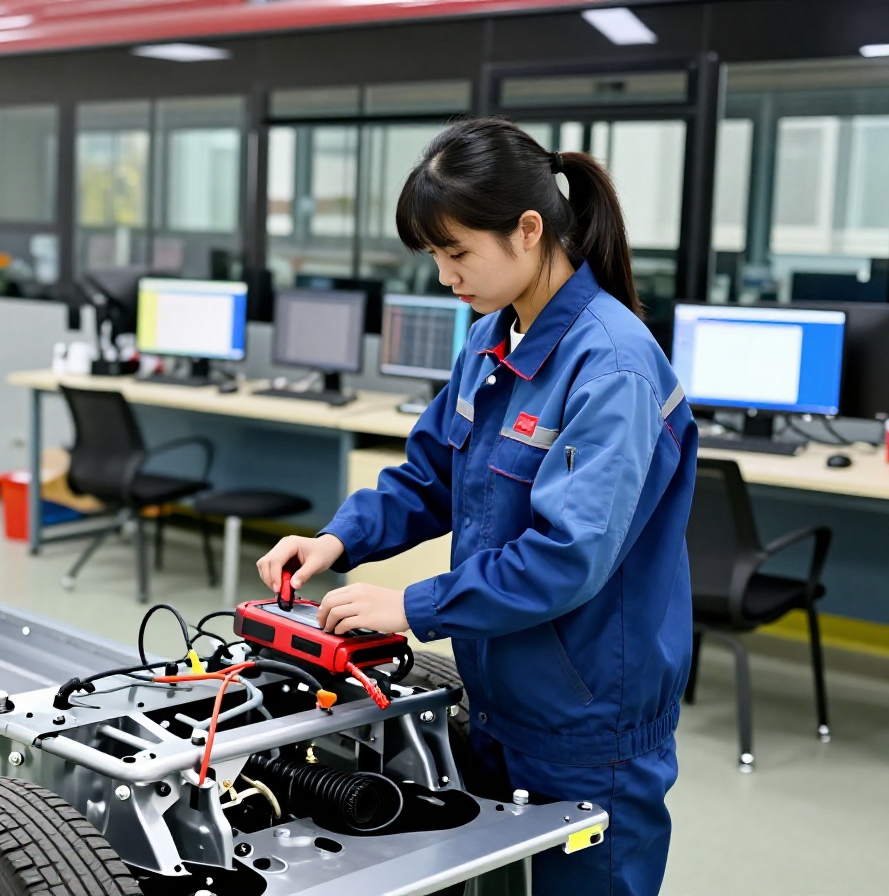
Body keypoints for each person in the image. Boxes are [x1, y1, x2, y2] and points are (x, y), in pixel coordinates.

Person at [257, 117, 697, 896]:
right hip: (500, 698)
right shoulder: (492, 340)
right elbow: (432, 476)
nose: (443, 275)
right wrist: (336, 540)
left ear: (528, 231)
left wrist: (411, 605)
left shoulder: (612, 368)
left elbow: (567, 558)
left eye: (456, 252)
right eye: (434, 254)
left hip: (586, 725)